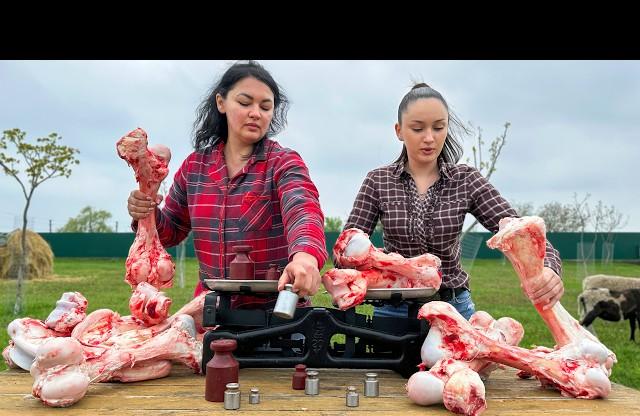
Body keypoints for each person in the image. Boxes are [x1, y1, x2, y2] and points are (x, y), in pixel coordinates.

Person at [342, 82, 564, 320]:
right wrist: (383, 262)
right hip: (394, 310)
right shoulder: (379, 181)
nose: (429, 138)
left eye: (438, 127)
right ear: (399, 131)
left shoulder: (465, 180)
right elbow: (346, 250)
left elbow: (519, 231)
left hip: (453, 308)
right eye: (418, 129)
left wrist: (549, 267)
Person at [127, 60, 327, 313]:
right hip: (210, 311)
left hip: (277, 314)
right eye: (245, 103)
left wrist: (305, 257)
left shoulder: (282, 163)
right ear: (221, 103)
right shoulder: (195, 168)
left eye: (266, 107)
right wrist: (146, 211)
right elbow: (171, 232)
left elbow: (303, 209)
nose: (256, 112)